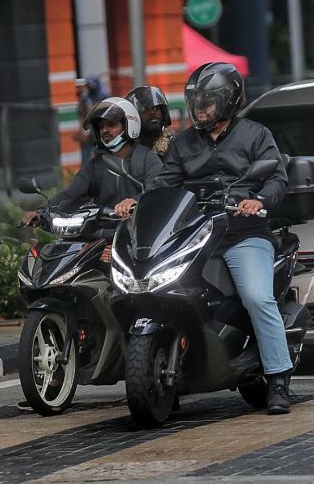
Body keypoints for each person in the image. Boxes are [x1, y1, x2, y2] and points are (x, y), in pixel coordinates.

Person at [124, 62, 295, 414]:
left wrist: (257, 199)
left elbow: (277, 179)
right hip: (196, 237)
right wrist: (139, 202)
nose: (200, 108)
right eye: (196, 101)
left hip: (243, 234)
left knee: (257, 297)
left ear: (229, 99)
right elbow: (164, 183)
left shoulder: (256, 135)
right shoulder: (183, 143)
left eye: (208, 100)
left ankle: (278, 379)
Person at [22, 97, 161, 225]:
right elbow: (71, 193)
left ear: (128, 125)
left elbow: (157, 189)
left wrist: (135, 200)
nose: (105, 130)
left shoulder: (147, 158)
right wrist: (42, 212)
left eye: (111, 125)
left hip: (140, 231)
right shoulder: (97, 164)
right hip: (105, 233)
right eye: (101, 126)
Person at [126, 85, 174, 158]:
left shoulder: (176, 146)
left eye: (156, 108)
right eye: (146, 109)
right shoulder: (128, 152)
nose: (152, 112)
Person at [74, 75, 109, 165]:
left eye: (91, 85)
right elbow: (81, 113)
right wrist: (82, 127)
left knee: (102, 149)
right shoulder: (85, 97)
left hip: (101, 127)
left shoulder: (103, 95)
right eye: (88, 85)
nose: (90, 88)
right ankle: (86, 169)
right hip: (89, 127)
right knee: (86, 151)